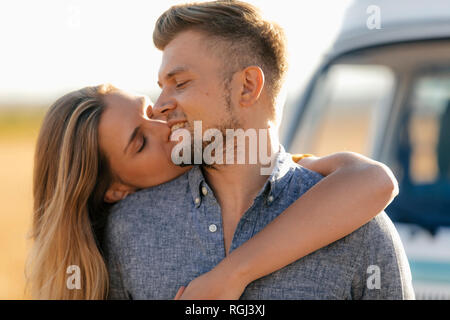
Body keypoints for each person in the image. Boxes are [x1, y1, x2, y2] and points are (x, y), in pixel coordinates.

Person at [102, 1, 414, 300]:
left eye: (180, 82)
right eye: (161, 86)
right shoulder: (129, 228)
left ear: (248, 86)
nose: (160, 106)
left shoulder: (361, 230)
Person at [27, 83, 399, 300]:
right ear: (115, 190)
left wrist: (230, 276)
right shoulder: (120, 244)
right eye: (139, 142)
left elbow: (376, 181)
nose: (163, 126)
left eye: (149, 111)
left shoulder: (261, 169)